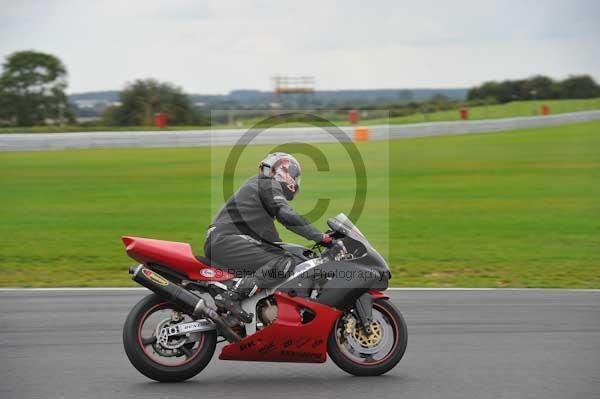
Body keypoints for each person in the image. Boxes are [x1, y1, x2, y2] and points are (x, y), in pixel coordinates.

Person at [204, 152, 332, 322]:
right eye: (296, 177)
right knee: (284, 262)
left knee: (282, 258)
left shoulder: (257, 189)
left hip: (224, 241)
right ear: (285, 172)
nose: (296, 182)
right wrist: (320, 237)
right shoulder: (268, 184)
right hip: (227, 240)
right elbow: (286, 215)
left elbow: (272, 240)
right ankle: (232, 297)